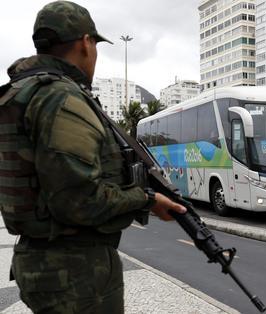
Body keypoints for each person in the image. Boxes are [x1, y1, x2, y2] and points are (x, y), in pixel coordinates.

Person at [0, 1, 186, 313]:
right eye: (96, 44)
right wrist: (145, 198)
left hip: (46, 263)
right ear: (86, 43)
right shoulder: (61, 97)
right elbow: (79, 201)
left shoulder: (24, 90)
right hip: (76, 274)